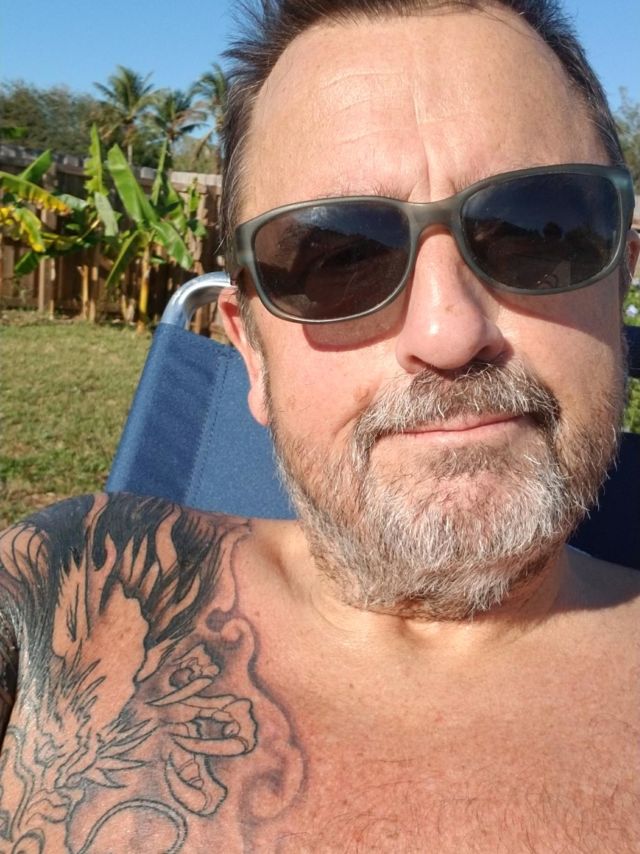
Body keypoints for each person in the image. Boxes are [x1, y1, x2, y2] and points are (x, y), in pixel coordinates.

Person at [0, 0, 638, 850]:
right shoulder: (73, 585)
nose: (448, 334)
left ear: (620, 279)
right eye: (339, 258)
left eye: (534, 232)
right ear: (252, 355)